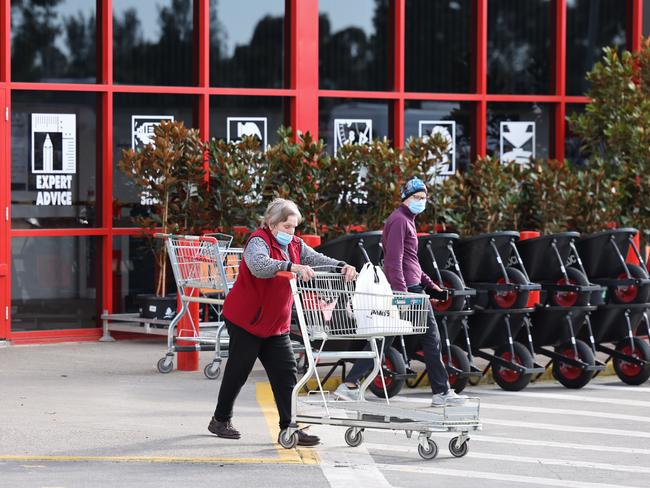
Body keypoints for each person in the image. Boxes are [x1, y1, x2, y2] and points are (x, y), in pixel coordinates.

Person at [208, 198, 358, 446]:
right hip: (246, 319)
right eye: (287, 226)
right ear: (271, 223)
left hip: (276, 323)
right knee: (239, 370)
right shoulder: (258, 241)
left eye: (294, 227)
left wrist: (341, 266)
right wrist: (292, 267)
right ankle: (220, 419)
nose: (291, 232)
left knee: (286, 373)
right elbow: (259, 266)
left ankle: (290, 427)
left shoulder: (296, 245)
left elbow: (316, 259)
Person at [334, 177, 467, 407]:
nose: (421, 201)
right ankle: (442, 392)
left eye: (424, 198)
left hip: (412, 288)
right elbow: (393, 261)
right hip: (406, 290)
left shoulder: (408, 221)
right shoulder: (398, 221)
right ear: (405, 198)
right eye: (416, 197)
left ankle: (351, 385)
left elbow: (411, 262)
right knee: (431, 338)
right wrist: (402, 294)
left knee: (385, 338)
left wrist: (430, 285)